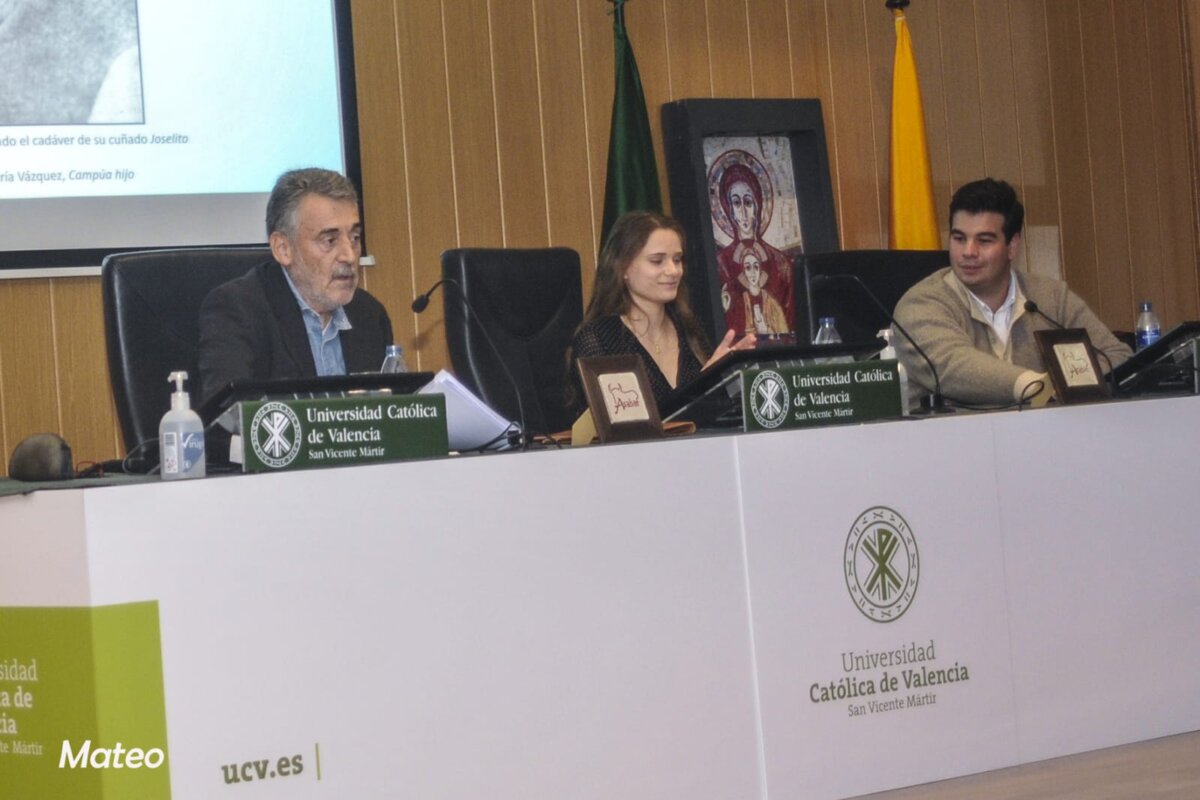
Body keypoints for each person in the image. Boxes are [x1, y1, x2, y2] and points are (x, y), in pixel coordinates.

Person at [892, 178, 1131, 407]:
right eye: (959, 238)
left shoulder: (1051, 297)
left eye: (984, 240)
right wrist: (1037, 386)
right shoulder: (920, 305)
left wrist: (1065, 385)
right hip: (951, 443)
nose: (968, 251)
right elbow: (950, 366)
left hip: (1047, 439)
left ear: (1012, 246)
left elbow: (1116, 355)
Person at [198, 168, 393, 404]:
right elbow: (228, 414)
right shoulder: (238, 310)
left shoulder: (369, 314)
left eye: (354, 238)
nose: (349, 256)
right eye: (330, 240)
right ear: (283, 248)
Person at [565, 211, 756, 418]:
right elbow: (626, 428)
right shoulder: (599, 339)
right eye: (657, 261)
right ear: (623, 268)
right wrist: (703, 382)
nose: (673, 271)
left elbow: (717, 413)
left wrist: (731, 376)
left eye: (677, 259)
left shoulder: (689, 327)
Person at [714, 162, 795, 336]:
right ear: (729, 210)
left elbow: (792, 321)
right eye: (736, 203)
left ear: (757, 206)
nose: (743, 212)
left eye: (748, 202)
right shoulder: (721, 263)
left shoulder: (781, 262)